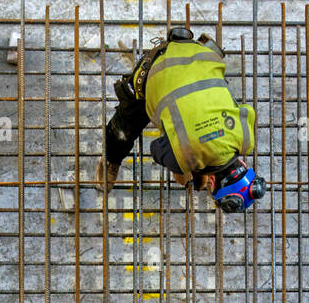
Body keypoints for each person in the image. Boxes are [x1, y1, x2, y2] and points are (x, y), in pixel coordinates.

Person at [96, 25, 266, 213]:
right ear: (210, 181)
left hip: (199, 54)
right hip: (154, 69)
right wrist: (189, 168)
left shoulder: (246, 139)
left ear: (243, 165)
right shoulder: (183, 159)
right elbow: (156, 149)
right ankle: (111, 158)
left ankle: (171, 58)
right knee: (126, 127)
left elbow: (245, 110)